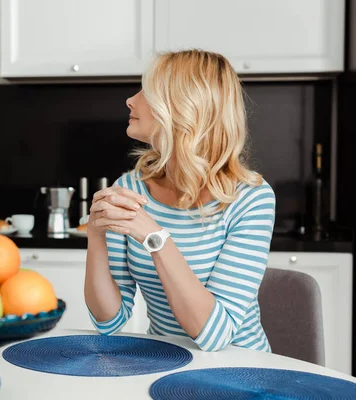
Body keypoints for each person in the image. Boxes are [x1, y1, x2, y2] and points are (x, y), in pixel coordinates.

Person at [84, 49, 276, 352]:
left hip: (240, 368)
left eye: (147, 91)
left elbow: (215, 336)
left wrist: (155, 237)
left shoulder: (250, 199)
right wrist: (95, 235)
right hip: (164, 362)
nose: (130, 100)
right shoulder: (130, 187)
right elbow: (109, 320)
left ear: (182, 108)